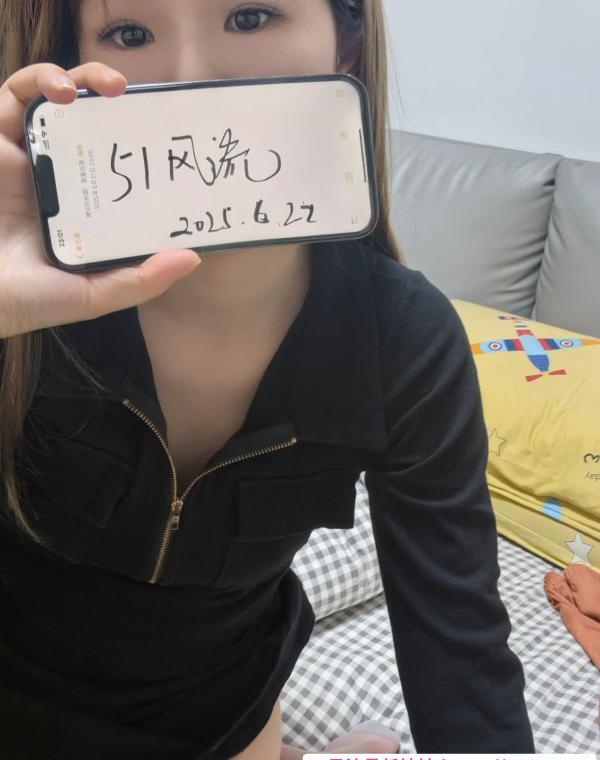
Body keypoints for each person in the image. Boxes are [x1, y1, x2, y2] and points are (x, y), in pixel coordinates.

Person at [0, 1, 536, 758]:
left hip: (225, 720)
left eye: (251, 17)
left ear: (345, 49)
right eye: (130, 34)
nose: (191, 79)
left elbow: (461, 648)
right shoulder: (27, 303)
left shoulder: (407, 341)